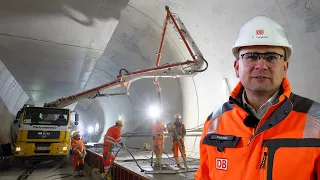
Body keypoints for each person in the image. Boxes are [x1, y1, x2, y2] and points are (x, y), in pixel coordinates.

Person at [194, 15, 320, 180]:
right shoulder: (215, 122)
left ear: (285, 67)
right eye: (251, 56)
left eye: (271, 57)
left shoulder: (315, 121)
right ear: (237, 67)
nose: (261, 66)